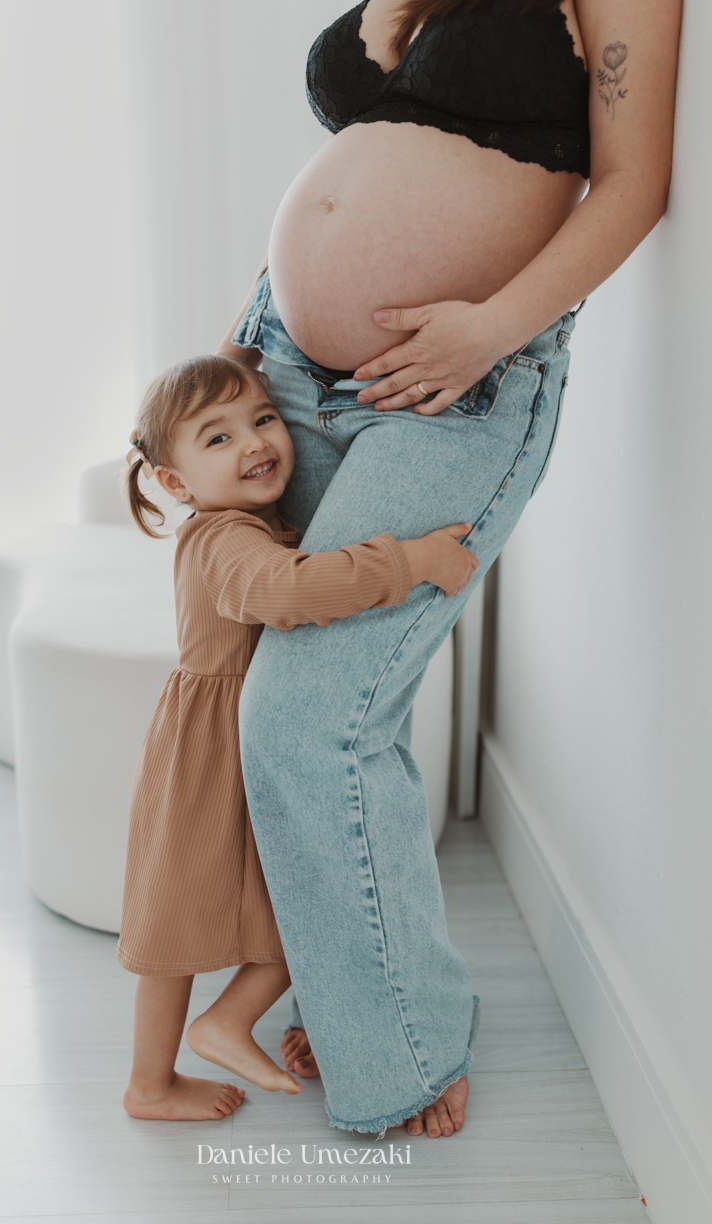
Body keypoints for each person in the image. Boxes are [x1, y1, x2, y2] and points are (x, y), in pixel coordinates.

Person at [218, 0, 681, 1137]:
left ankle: (404, 1051)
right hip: (285, 360)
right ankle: (355, 993)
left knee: (306, 715)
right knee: (335, 710)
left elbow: (633, 183)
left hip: (457, 387)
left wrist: (493, 326)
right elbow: (362, 103)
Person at [115, 353, 479, 1121]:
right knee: (259, 909)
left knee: (251, 912)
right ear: (176, 484)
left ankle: (195, 1052)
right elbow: (288, 593)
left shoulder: (246, 525)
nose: (254, 442)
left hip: (219, 746)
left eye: (263, 418)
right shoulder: (224, 539)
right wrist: (407, 561)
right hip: (216, 754)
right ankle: (180, 1058)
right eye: (216, 439)